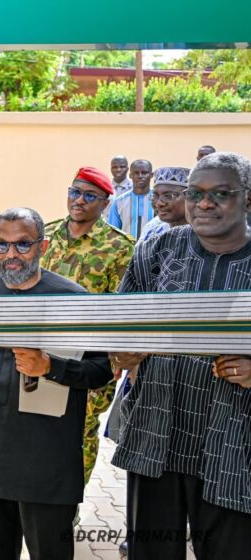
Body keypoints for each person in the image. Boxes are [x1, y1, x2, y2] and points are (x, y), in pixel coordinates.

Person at [110, 152, 251, 559]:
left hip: (235, 447)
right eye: (195, 193)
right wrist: (123, 352)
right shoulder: (158, 249)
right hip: (157, 437)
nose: (204, 203)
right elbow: (121, 322)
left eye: (220, 193)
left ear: (247, 199)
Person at [0, 207, 113, 560]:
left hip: (47, 463)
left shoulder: (72, 300)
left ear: (42, 246)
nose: (11, 254)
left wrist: (50, 367)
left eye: (22, 244)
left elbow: (101, 371)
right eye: (2, 245)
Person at [40, 167, 134, 489]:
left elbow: (122, 310)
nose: (79, 200)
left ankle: (71, 499)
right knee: (40, 425)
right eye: (75, 192)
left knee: (80, 429)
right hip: (42, 352)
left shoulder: (119, 247)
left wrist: (117, 357)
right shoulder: (46, 235)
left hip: (89, 359)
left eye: (89, 196)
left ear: (105, 204)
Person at [137, 167, 191, 244]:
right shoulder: (151, 230)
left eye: (168, 196)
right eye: (155, 196)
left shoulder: (203, 233)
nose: (159, 203)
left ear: (189, 196)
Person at [107, 159, 154, 240]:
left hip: (154, 247)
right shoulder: (119, 202)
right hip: (127, 247)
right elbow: (112, 232)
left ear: (151, 175)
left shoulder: (159, 200)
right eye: (136, 173)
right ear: (130, 175)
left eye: (144, 173)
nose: (140, 176)